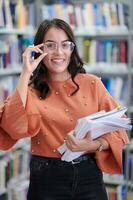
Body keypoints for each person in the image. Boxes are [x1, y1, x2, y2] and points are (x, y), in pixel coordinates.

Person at [0, 18, 129, 200]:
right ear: (39, 49)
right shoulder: (29, 89)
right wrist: (25, 73)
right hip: (46, 179)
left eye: (65, 45)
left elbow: (120, 129)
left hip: (89, 177)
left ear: (72, 49)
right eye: (50, 45)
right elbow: (12, 127)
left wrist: (92, 145)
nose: (58, 52)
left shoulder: (92, 83)